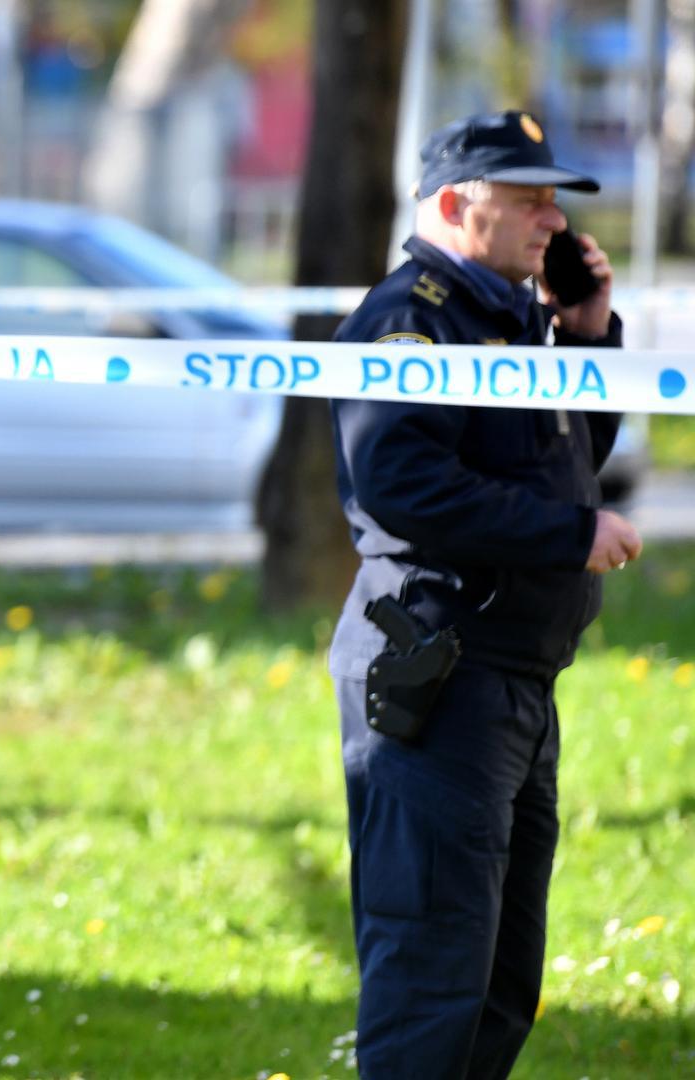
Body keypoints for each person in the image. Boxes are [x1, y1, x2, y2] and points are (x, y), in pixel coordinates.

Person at [328, 110, 643, 1079]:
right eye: (529, 200)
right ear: (458, 205)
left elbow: (564, 460)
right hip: (441, 668)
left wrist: (587, 338)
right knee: (431, 967)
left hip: (512, 678)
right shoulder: (408, 321)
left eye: (554, 201)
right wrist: (567, 536)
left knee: (500, 975)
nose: (552, 221)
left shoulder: (506, 319)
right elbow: (401, 484)